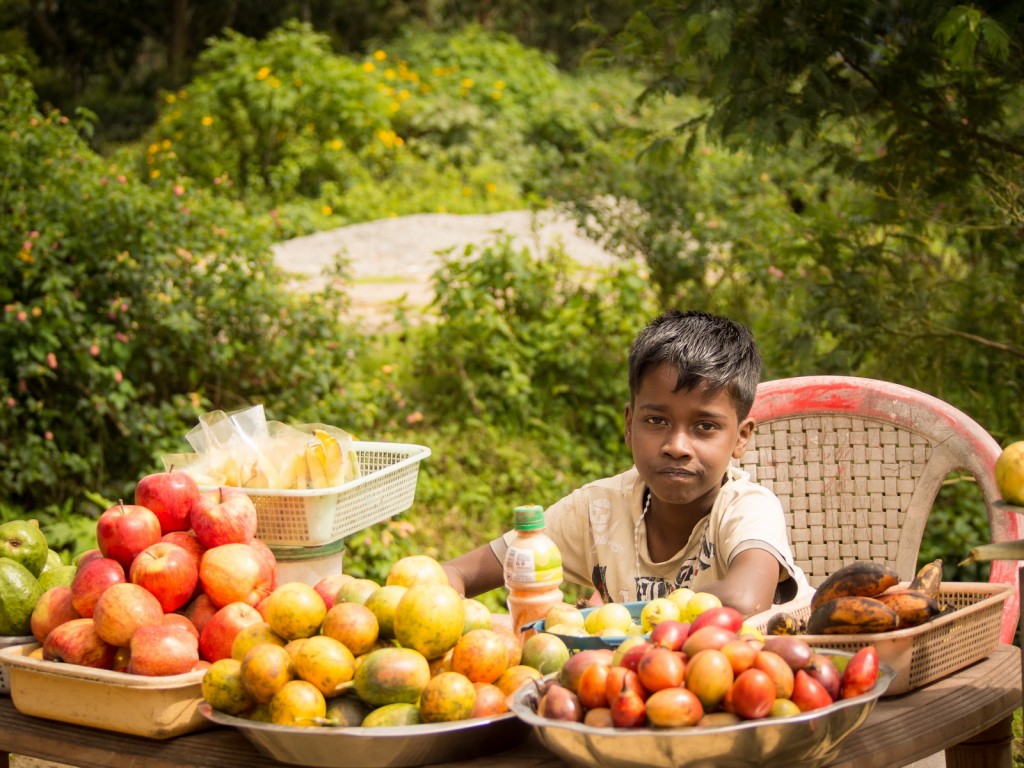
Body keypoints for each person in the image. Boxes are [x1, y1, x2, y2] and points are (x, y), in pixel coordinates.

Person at [442, 308, 810, 617]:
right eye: (656, 421)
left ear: (741, 437)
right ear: (629, 424)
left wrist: (603, 619)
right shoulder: (596, 511)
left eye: (705, 426)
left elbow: (745, 600)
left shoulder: (748, 509)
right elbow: (457, 573)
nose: (677, 446)